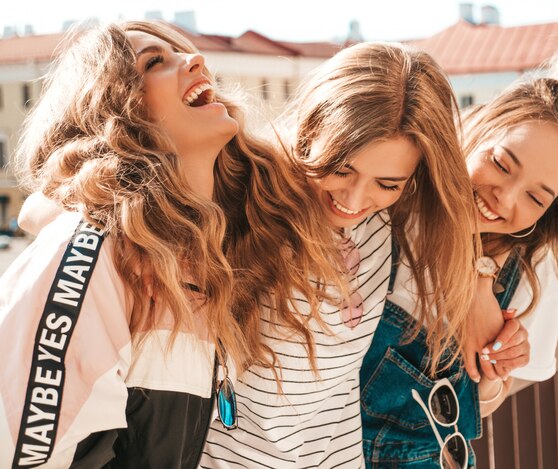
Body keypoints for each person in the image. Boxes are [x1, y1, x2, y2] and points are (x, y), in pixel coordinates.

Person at [0, 20, 343, 468]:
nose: (195, 60)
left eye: (184, 52)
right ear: (116, 112)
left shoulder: (202, 257)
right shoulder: (93, 254)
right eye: (155, 62)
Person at [200, 42, 478, 468]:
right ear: (312, 129)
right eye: (341, 167)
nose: (354, 199)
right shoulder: (245, 194)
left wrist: (486, 278)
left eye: (387, 183)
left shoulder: (390, 221)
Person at [360, 54, 558, 468]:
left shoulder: (534, 264)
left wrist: (493, 373)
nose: (505, 199)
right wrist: (475, 276)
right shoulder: (393, 196)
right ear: (477, 128)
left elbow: (485, 405)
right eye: (501, 163)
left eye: (535, 197)